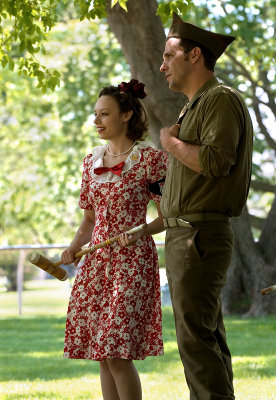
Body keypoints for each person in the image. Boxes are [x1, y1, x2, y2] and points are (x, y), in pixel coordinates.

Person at [159, 13, 253, 400]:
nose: (162, 65)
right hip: (186, 234)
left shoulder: (220, 99)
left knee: (196, 342)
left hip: (198, 238)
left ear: (194, 55)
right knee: (202, 338)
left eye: (168, 55)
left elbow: (216, 162)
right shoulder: (195, 106)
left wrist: (171, 143)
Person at [61, 79, 168, 400]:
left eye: (104, 114)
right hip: (97, 265)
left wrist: (140, 231)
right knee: (103, 355)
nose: (96, 121)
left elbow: (167, 217)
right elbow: (89, 220)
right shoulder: (90, 160)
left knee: (117, 352)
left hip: (133, 263)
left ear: (126, 115)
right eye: (95, 114)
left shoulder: (150, 159)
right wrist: (74, 247)